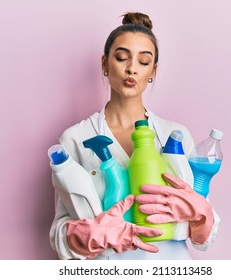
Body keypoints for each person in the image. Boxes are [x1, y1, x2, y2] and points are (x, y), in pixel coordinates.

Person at [49, 12, 220, 260]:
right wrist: (89, 233)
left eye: (143, 61)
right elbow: (58, 232)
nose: (131, 68)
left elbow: (205, 240)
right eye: (121, 58)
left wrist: (202, 215)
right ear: (105, 63)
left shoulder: (177, 136)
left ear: (153, 70)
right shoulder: (76, 138)